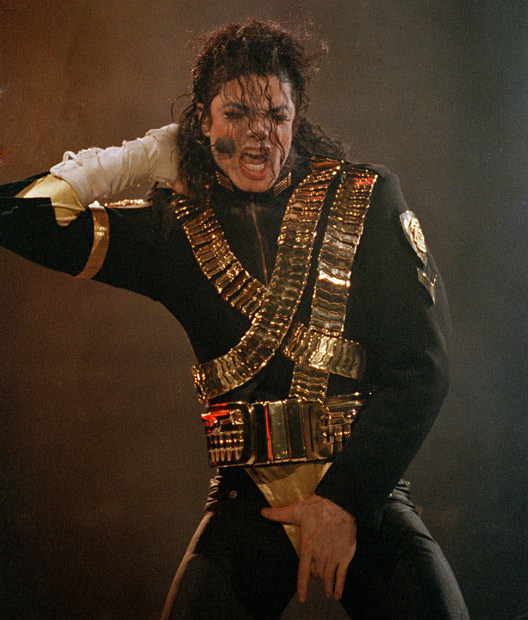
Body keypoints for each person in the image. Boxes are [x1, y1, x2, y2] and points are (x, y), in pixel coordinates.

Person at [0, 19, 469, 620]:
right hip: (248, 503)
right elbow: (19, 219)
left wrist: (344, 501)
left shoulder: (366, 197)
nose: (259, 134)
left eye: (276, 115)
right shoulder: (173, 228)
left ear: (295, 117)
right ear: (203, 122)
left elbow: (424, 368)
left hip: (363, 488)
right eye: (237, 114)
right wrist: (134, 159)